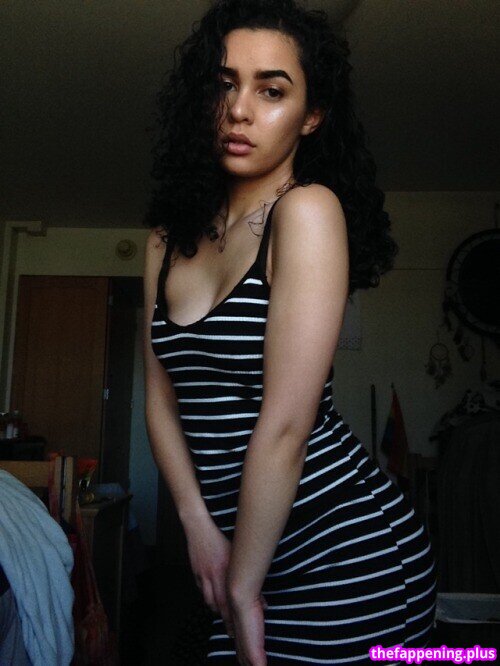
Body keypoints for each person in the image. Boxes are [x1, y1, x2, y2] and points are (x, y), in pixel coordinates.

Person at [142, 0, 437, 663]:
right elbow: (160, 399)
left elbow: (287, 424)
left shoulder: (307, 211)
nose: (239, 110)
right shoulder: (164, 239)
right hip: (234, 545)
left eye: (271, 90)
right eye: (224, 85)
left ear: (311, 115)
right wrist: (195, 522)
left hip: (340, 545)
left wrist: (244, 588)